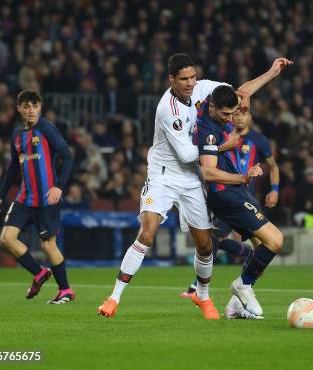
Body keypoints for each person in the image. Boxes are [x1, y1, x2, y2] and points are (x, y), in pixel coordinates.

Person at [97, 53, 291, 320]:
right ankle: (114, 297)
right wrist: (223, 146)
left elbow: (239, 93)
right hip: (164, 175)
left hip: (191, 180)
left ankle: (202, 296)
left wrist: (270, 73)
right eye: (184, 79)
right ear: (171, 79)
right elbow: (189, 155)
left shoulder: (202, 89)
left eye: (192, 77)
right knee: (148, 232)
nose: (190, 83)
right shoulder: (168, 109)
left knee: (205, 245)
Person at [196, 83, 290, 319]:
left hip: (239, 191)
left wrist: (271, 73)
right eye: (227, 114)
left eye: (235, 112)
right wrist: (242, 174)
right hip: (226, 193)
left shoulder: (216, 104)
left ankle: (235, 306)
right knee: (276, 241)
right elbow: (207, 172)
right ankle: (242, 286)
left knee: (260, 253)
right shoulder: (209, 129)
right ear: (213, 108)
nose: (232, 118)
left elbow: (245, 89)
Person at [180, 104, 280, 309]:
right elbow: (203, 160)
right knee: (218, 237)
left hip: (244, 195)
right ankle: (209, 285)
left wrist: (275, 189)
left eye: (245, 113)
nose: (240, 118)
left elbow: (273, 165)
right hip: (227, 195)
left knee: (261, 248)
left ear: (251, 117)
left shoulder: (258, 140)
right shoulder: (219, 132)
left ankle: (237, 299)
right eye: (237, 113)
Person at [0, 90, 75, 304]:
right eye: (26, 107)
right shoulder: (17, 134)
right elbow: (12, 167)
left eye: (35, 106)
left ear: (40, 108)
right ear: (19, 108)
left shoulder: (46, 128)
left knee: (47, 246)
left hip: (47, 199)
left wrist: (59, 186)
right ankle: (39, 273)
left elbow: (67, 155)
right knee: (6, 238)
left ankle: (65, 290)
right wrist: (0, 196)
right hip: (25, 198)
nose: (31, 111)